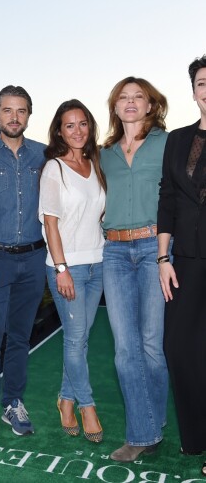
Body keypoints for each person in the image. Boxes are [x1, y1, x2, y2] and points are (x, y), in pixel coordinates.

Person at [100, 76, 169, 462]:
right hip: (113, 251)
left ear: (150, 105)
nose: (130, 103)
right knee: (125, 349)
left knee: (150, 344)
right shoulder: (104, 151)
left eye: (137, 97)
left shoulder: (167, 143)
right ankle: (142, 434)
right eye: (122, 98)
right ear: (115, 106)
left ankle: (153, 425)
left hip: (155, 247)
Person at [0, 85, 46, 437]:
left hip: (34, 259)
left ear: (29, 115)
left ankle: (12, 402)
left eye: (21, 111)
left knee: (20, 337)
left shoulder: (45, 156)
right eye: (7, 110)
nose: (14, 117)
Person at [39, 100, 106, 443]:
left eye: (83, 124)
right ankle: (86, 405)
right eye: (69, 125)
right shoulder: (55, 168)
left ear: (90, 127)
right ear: (59, 131)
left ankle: (64, 400)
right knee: (77, 339)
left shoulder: (94, 163)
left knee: (79, 340)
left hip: (99, 263)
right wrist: (62, 268)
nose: (77, 130)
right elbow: (50, 224)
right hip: (68, 268)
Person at [157, 55, 206, 478]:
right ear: (194, 90)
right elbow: (168, 199)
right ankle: (196, 436)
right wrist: (162, 257)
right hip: (186, 260)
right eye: (203, 82)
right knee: (179, 346)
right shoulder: (178, 140)